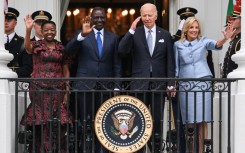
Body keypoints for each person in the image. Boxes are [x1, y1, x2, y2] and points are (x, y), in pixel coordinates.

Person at [118, 3, 175, 153]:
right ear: (140, 16)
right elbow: (122, 51)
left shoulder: (165, 35)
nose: (147, 18)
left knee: (157, 121)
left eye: (150, 15)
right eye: (144, 15)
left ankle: (156, 150)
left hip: (158, 84)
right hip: (139, 84)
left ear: (156, 16)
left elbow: (170, 61)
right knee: (139, 120)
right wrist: (130, 30)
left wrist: (171, 83)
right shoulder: (134, 33)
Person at [65, 7, 121, 152]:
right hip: (84, 84)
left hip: (106, 86)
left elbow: (117, 64)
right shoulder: (81, 34)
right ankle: (84, 148)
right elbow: (68, 52)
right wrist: (82, 35)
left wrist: (116, 86)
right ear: (91, 18)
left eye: (102, 17)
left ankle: (101, 149)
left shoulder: (113, 38)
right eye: (96, 17)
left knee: (103, 121)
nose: (99, 20)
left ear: (106, 18)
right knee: (84, 121)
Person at [174, 16, 233, 153]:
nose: (194, 30)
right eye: (191, 27)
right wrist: (174, 84)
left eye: (196, 27)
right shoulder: (177, 45)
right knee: (189, 121)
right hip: (186, 85)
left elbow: (216, 44)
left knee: (202, 120)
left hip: (203, 84)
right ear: (186, 29)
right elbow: (176, 67)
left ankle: (199, 151)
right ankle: (191, 149)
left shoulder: (203, 41)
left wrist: (225, 38)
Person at [20, 15, 72, 152]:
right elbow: (27, 47)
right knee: (41, 123)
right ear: (42, 32)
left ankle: (55, 149)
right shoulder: (37, 45)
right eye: (46, 30)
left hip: (58, 90)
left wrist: (67, 92)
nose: (49, 32)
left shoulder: (61, 47)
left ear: (55, 31)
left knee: (57, 122)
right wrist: (28, 30)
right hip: (39, 89)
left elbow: (66, 71)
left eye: (52, 30)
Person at [4, 7, 32, 77]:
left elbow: (28, 67)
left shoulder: (22, 42)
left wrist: (11, 74)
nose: (6, 22)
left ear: (15, 23)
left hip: (16, 81)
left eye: (9, 20)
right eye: (4, 20)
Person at [222, 1, 241, 78]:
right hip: (230, 82)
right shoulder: (235, 40)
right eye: (230, 19)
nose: (231, 21)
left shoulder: (240, 41)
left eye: (234, 18)